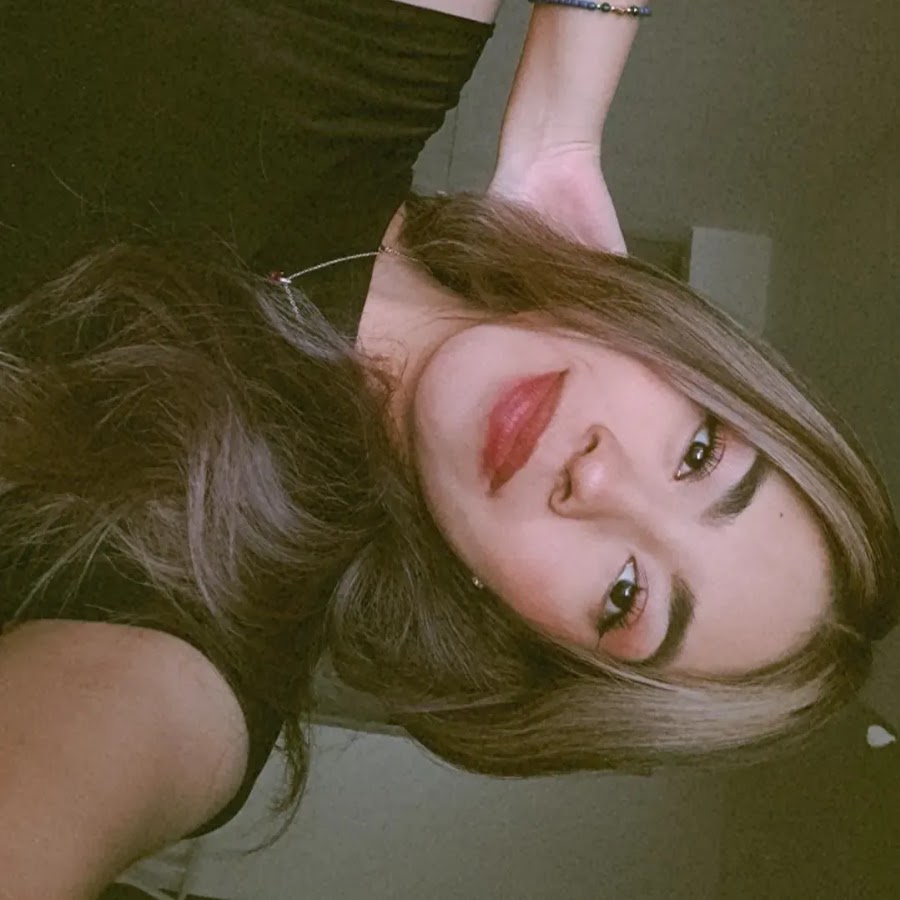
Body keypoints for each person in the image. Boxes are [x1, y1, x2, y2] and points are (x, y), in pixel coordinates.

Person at [0, 2, 897, 897]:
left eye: (626, 594)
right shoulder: (385, 53)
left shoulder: (202, 636)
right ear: (683, 351)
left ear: (527, 640)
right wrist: (557, 133)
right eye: (700, 453)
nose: (597, 477)